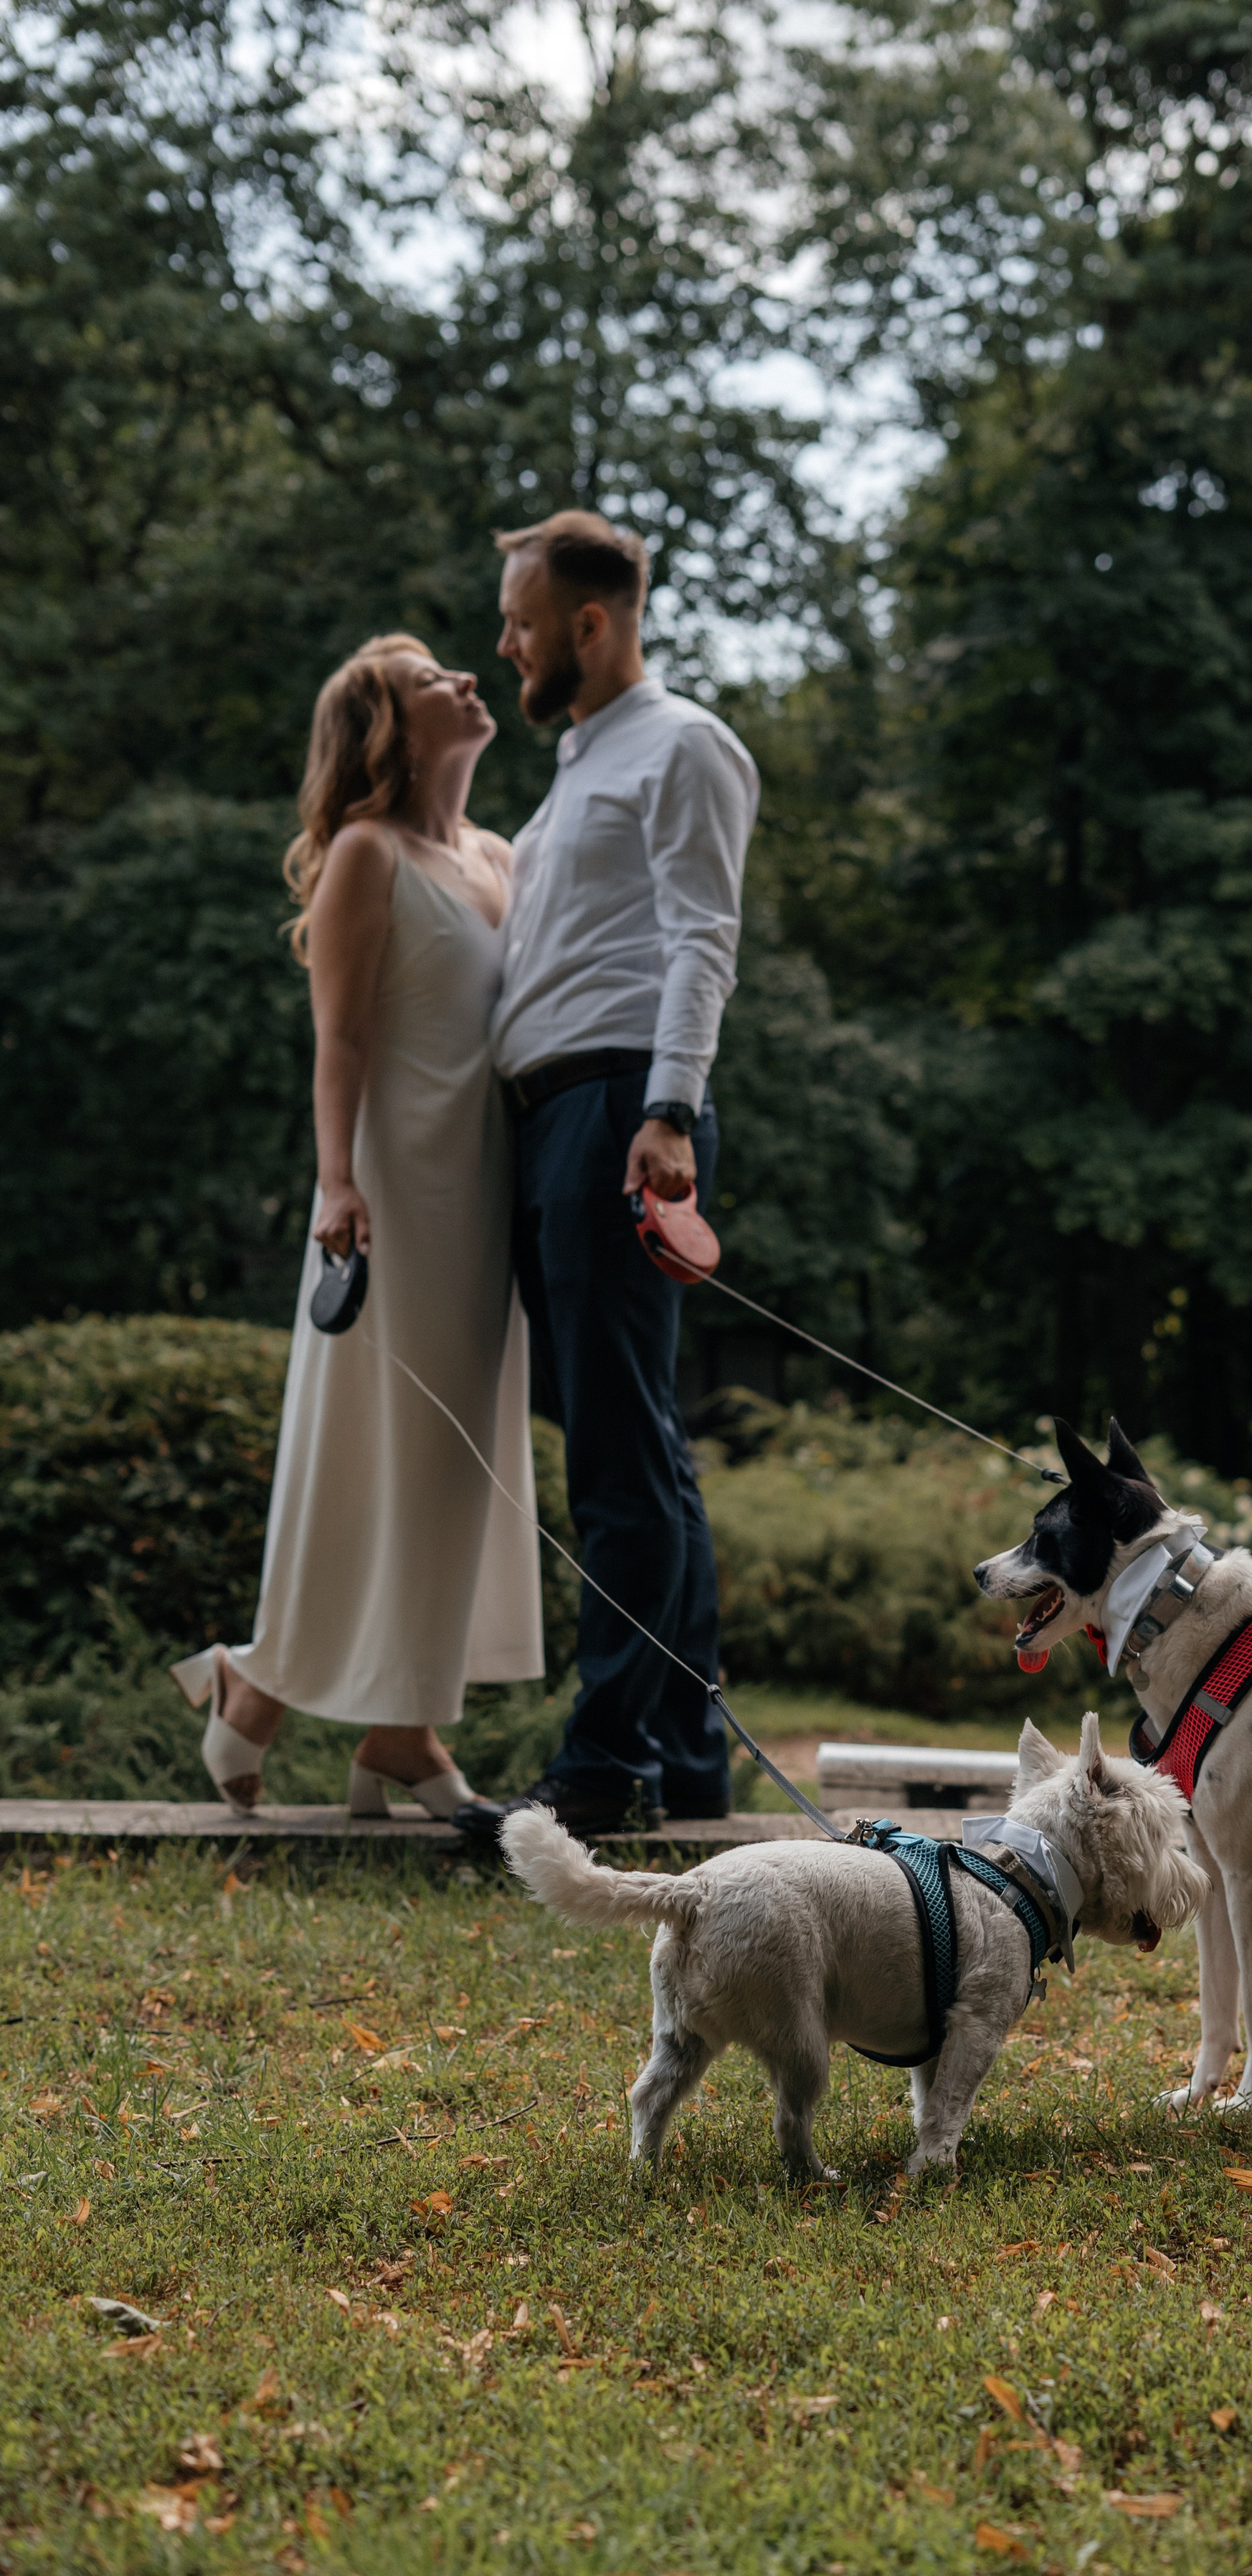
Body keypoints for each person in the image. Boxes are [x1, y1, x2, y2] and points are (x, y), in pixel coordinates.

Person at [171, 636, 544, 1814]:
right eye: (436, 677)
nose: (469, 680)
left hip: (487, 1200)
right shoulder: (365, 855)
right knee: (362, 1457)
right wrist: (335, 1183)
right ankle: (267, 1692)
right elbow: (338, 1039)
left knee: (449, 1462)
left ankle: (388, 1726)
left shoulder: (499, 854)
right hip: (387, 1196)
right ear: (387, 724)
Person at [450, 511, 757, 1842]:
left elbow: (703, 935)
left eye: (520, 620)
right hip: (549, 1121)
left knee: (623, 1462)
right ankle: (684, 1757)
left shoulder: (684, 743)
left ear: (590, 623)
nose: (505, 642)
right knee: (634, 1444)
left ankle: (599, 1766)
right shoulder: (579, 766)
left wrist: (669, 1109)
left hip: (615, 1109)